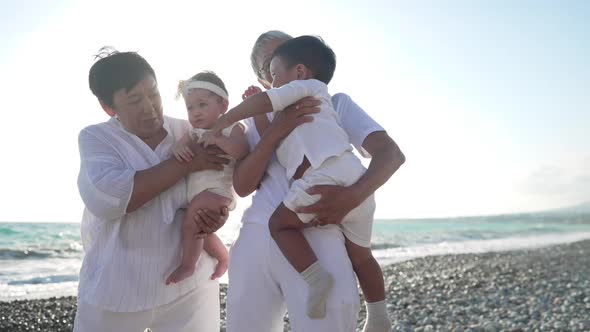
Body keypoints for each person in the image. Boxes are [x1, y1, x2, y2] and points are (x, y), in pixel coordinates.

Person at [225, 31, 405, 332]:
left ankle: (378, 315)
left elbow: (391, 155)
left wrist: (353, 196)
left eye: (287, 51)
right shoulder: (256, 121)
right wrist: (275, 130)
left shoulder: (334, 104)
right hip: (257, 234)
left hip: (322, 236)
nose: (279, 64)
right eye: (268, 64)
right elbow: (242, 187)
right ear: (264, 76)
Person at [74, 48, 228, 332]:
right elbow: (112, 198)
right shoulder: (97, 138)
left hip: (190, 286)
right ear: (109, 108)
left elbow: (220, 182)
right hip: (116, 287)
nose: (150, 107)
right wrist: (185, 164)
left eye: (153, 93)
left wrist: (217, 216)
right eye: (134, 100)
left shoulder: (190, 131)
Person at [166, 71, 249, 285]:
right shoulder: (195, 131)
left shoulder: (232, 127)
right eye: (190, 107)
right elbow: (178, 145)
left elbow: (241, 151)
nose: (195, 113)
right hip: (197, 192)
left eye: (202, 105)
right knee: (198, 227)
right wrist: (178, 149)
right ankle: (222, 257)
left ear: (223, 105)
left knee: (191, 223)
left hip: (218, 191)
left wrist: (219, 138)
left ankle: (188, 265)